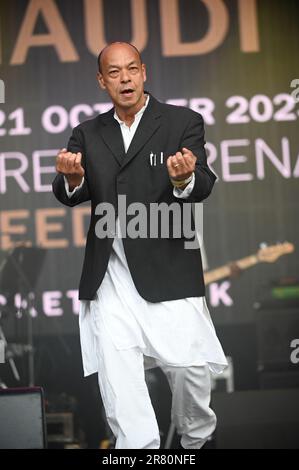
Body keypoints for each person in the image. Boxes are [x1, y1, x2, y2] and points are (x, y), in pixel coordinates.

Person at [53, 42, 227, 449]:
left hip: (169, 270)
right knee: (121, 384)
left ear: (144, 72)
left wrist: (183, 178)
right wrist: (73, 179)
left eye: (131, 69)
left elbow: (200, 183)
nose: (125, 78)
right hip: (111, 279)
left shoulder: (182, 121)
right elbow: (71, 190)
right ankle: (140, 451)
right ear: (102, 81)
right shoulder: (87, 132)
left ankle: (195, 441)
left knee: (190, 372)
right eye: (114, 72)